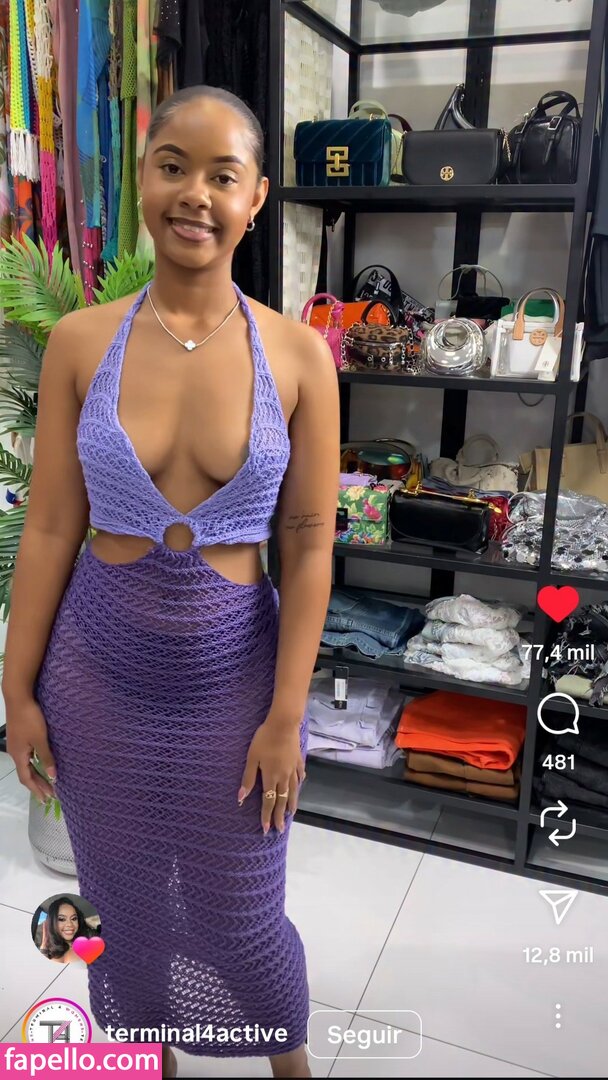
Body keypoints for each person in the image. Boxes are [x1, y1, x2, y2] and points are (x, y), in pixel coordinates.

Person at [3, 86, 340, 1079]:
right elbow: (51, 527)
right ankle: (150, 1060)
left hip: (235, 684)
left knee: (244, 911)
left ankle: (286, 1061)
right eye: (172, 167)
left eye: (222, 175)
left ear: (255, 198)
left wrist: (287, 714)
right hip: (97, 679)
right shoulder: (81, 342)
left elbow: (308, 544)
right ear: (143, 179)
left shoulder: (299, 355)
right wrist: (17, 692)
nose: (195, 194)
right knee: (126, 903)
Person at [38, 897, 91, 965]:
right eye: (62, 919)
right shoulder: (48, 950)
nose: (69, 924)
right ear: (52, 923)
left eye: (74, 918)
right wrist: (43, 950)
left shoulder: (89, 944)